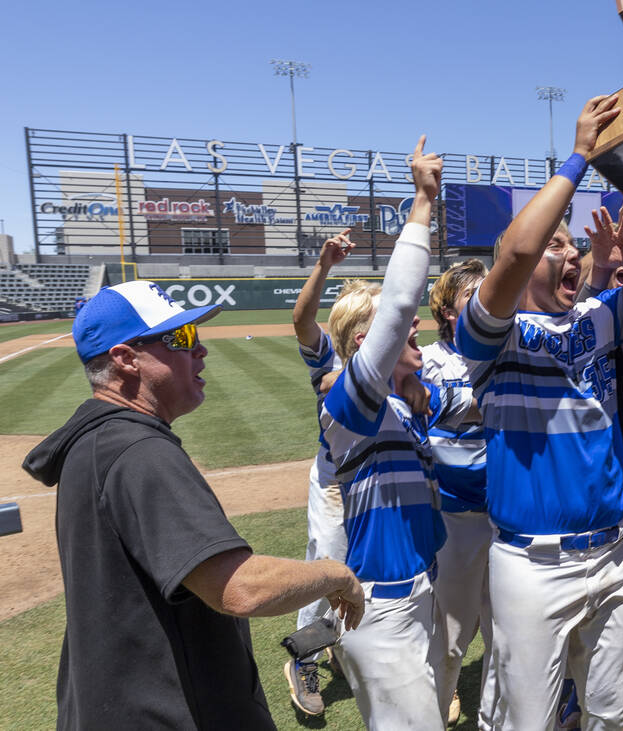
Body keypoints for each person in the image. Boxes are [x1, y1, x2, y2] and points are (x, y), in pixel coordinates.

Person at [456, 95, 623, 730]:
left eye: (573, 248)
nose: (569, 255)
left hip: (615, 552)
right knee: (532, 722)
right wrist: (578, 155)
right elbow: (515, 253)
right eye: (557, 245)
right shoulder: (491, 335)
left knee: (612, 717)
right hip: (531, 563)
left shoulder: (601, 318)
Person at [23, 279, 364, 730]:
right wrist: (334, 573)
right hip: (168, 713)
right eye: (181, 339)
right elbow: (241, 587)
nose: (200, 350)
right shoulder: (140, 452)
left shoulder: (95, 443)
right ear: (126, 359)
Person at [320, 135, 476, 728]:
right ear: (367, 346)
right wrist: (420, 203)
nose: (418, 339)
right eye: (408, 334)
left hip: (421, 596)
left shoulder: (408, 405)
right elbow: (401, 303)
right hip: (380, 611)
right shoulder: (348, 404)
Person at [284, 226, 356, 715]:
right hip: (335, 482)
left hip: (378, 485)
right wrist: (324, 265)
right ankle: (304, 654)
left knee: (364, 570)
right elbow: (302, 319)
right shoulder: (330, 358)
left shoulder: (397, 360)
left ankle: (340, 642)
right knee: (327, 566)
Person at [422, 258, 492, 727]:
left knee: (508, 635)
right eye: (474, 296)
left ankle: (496, 714)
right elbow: (428, 408)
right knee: (449, 634)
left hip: (505, 516)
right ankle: (437, 701)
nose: (488, 303)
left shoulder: (502, 351)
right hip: (453, 521)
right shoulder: (428, 358)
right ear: (449, 308)